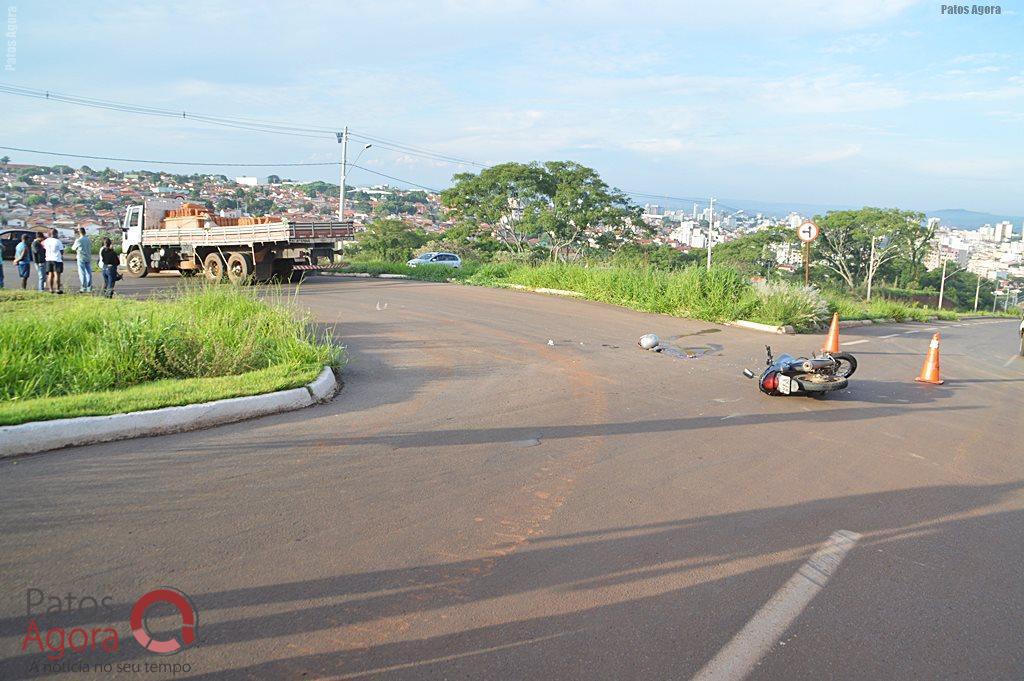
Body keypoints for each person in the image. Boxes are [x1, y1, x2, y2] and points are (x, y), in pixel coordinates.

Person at [42, 228, 65, 294]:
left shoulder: (46, 241)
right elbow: (62, 251)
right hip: (57, 259)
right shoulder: (58, 241)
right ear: (55, 234)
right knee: (57, 275)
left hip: (48, 259)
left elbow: (44, 247)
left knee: (50, 275)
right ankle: (57, 289)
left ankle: (51, 289)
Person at [71, 228, 93, 293]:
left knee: (82, 273)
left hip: (81, 257)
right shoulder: (88, 239)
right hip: (88, 257)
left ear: (79, 233)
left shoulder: (79, 240)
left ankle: (83, 287)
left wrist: (76, 240)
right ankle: (89, 287)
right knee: (88, 272)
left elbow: (73, 248)